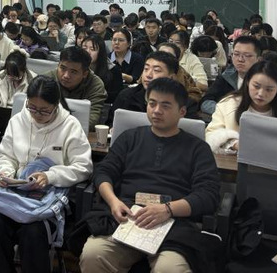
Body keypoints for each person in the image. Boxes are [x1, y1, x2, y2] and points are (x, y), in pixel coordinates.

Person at [78, 78, 220, 273]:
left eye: (165, 106)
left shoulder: (198, 149)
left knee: (170, 269)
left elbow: (208, 195)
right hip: (126, 217)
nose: (156, 110)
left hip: (173, 224)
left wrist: (168, 210)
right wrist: (113, 202)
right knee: (94, 254)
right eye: (152, 103)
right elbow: (104, 172)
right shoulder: (130, 138)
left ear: (182, 111)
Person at [0, 76, 93, 273]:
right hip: (17, 193)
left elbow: (83, 167)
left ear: (56, 104)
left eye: (44, 110)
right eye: (32, 107)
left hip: (50, 196)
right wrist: (5, 172)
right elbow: (6, 156)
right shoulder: (18, 120)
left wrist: (50, 176)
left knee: (32, 231)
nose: (37, 114)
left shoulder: (70, 125)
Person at [206, 58, 277, 154]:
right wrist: (235, 144)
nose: (261, 94)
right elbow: (211, 135)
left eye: (269, 89)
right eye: (256, 86)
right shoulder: (229, 105)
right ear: (247, 82)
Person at [108, 50, 198, 126]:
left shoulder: (185, 103)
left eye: (156, 70)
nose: (148, 75)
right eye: (146, 69)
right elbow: (111, 124)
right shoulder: (126, 96)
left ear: (171, 77)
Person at [201, 36, 261, 115]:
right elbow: (206, 102)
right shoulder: (226, 77)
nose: (240, 59)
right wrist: (227, 111)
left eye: (247, 55)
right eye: (236, 54)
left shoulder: (264, 81)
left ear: (258, 59)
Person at [56, 46, 106, 131]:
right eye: (63, 68)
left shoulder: (95, 85)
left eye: (73, 72)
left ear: (85, 74)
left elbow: (91, 121)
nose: (66, 75)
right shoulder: (48, 79)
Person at [82, 34, 122, 103]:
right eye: (84, 48)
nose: (87, 52)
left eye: (92, 49)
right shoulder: (76, 67)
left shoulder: (113, 70)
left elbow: (116, 96)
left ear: (100, 52)